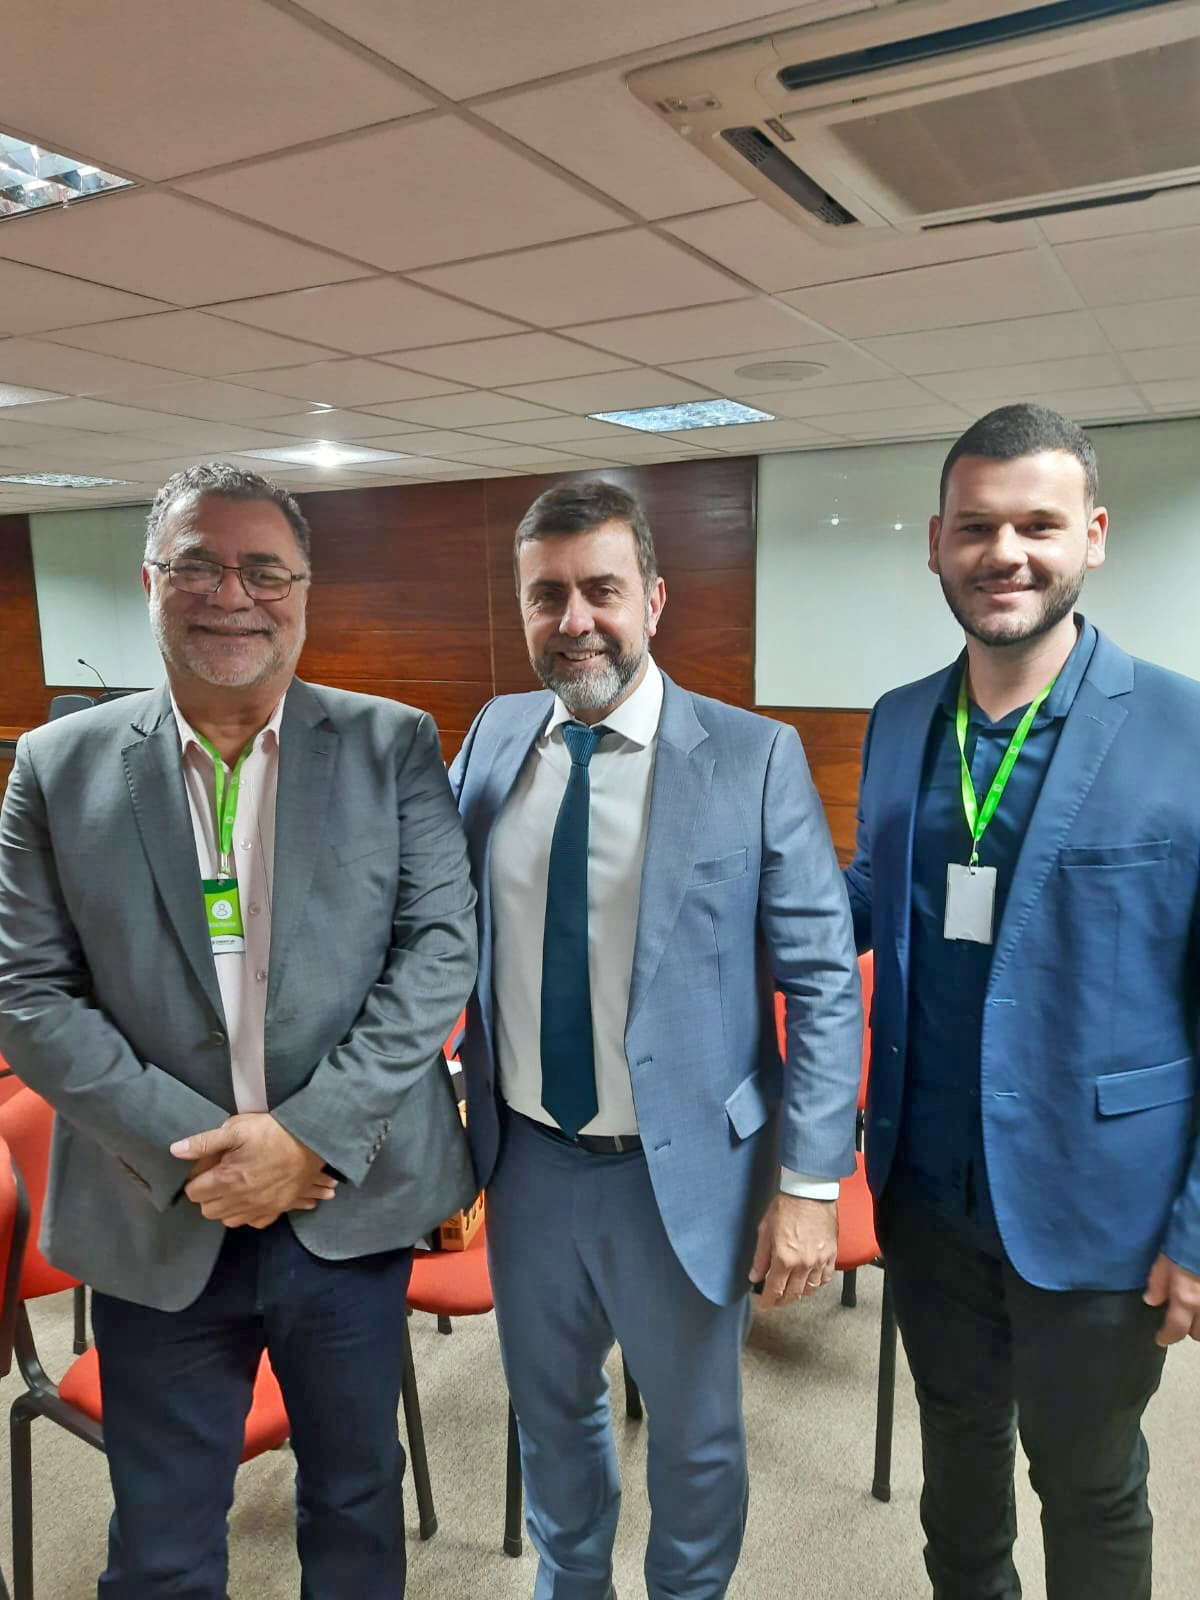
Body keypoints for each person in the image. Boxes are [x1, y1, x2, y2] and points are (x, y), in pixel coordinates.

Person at [0, 462, 477, 1600]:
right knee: (161, 1539)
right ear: (149, 581)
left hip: (347, 1206)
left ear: (303, 591)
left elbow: (439, 951)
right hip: (157, 1210)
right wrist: (205, 1154)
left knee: (355, 1503)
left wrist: (306, 1137)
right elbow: (28, 994)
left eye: (265, 570)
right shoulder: (57, 766)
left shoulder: (393, 744)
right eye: (198, 566)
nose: (232, 596)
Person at [449, 479, 861, 1600]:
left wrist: (810, 1183)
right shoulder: (492, 736)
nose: (574, 618)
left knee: (695, 1434)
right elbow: (431, 921)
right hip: (526, 1161)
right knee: (551, 1414)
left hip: (683, 1172)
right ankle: (568, 1580)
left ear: (655, 599)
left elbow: (825, 981)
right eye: (546, 595)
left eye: (601, 589)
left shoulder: (755, 755)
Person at [847, 403, 1200, 1600]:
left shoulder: (1185, 727)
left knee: (1089, 1487)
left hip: (1101, 1207)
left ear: (1092, 534)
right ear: (935, 542)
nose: (1006, 552)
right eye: (977, 526)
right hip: (925, 1191)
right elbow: (871, 897)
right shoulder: (902, 719)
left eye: (1038, 525)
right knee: (957, 1471)